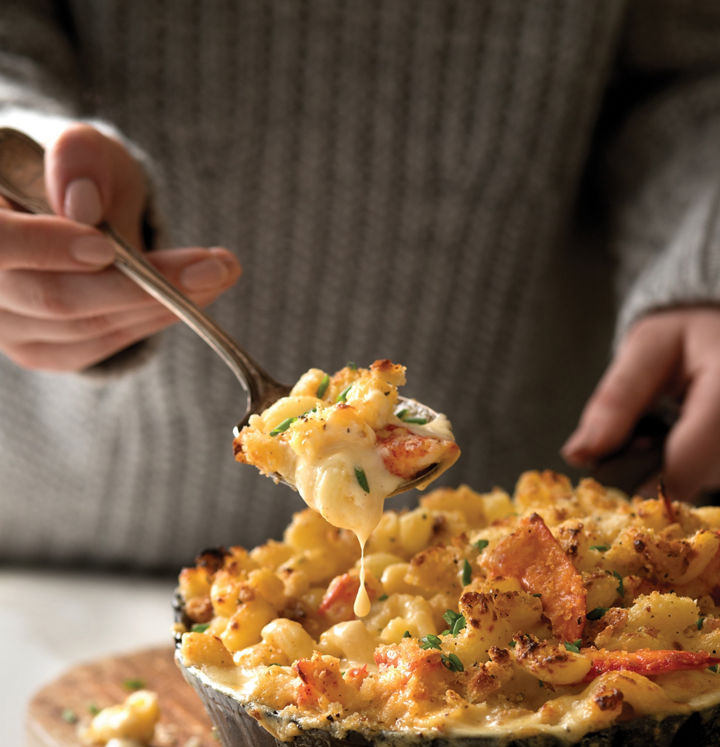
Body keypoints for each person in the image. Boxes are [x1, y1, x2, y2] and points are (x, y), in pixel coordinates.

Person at [2, 0, 720, 570]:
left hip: (535, 549)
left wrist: (705, 256)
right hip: (44, 561)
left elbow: (690, 74)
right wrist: (25, 147)